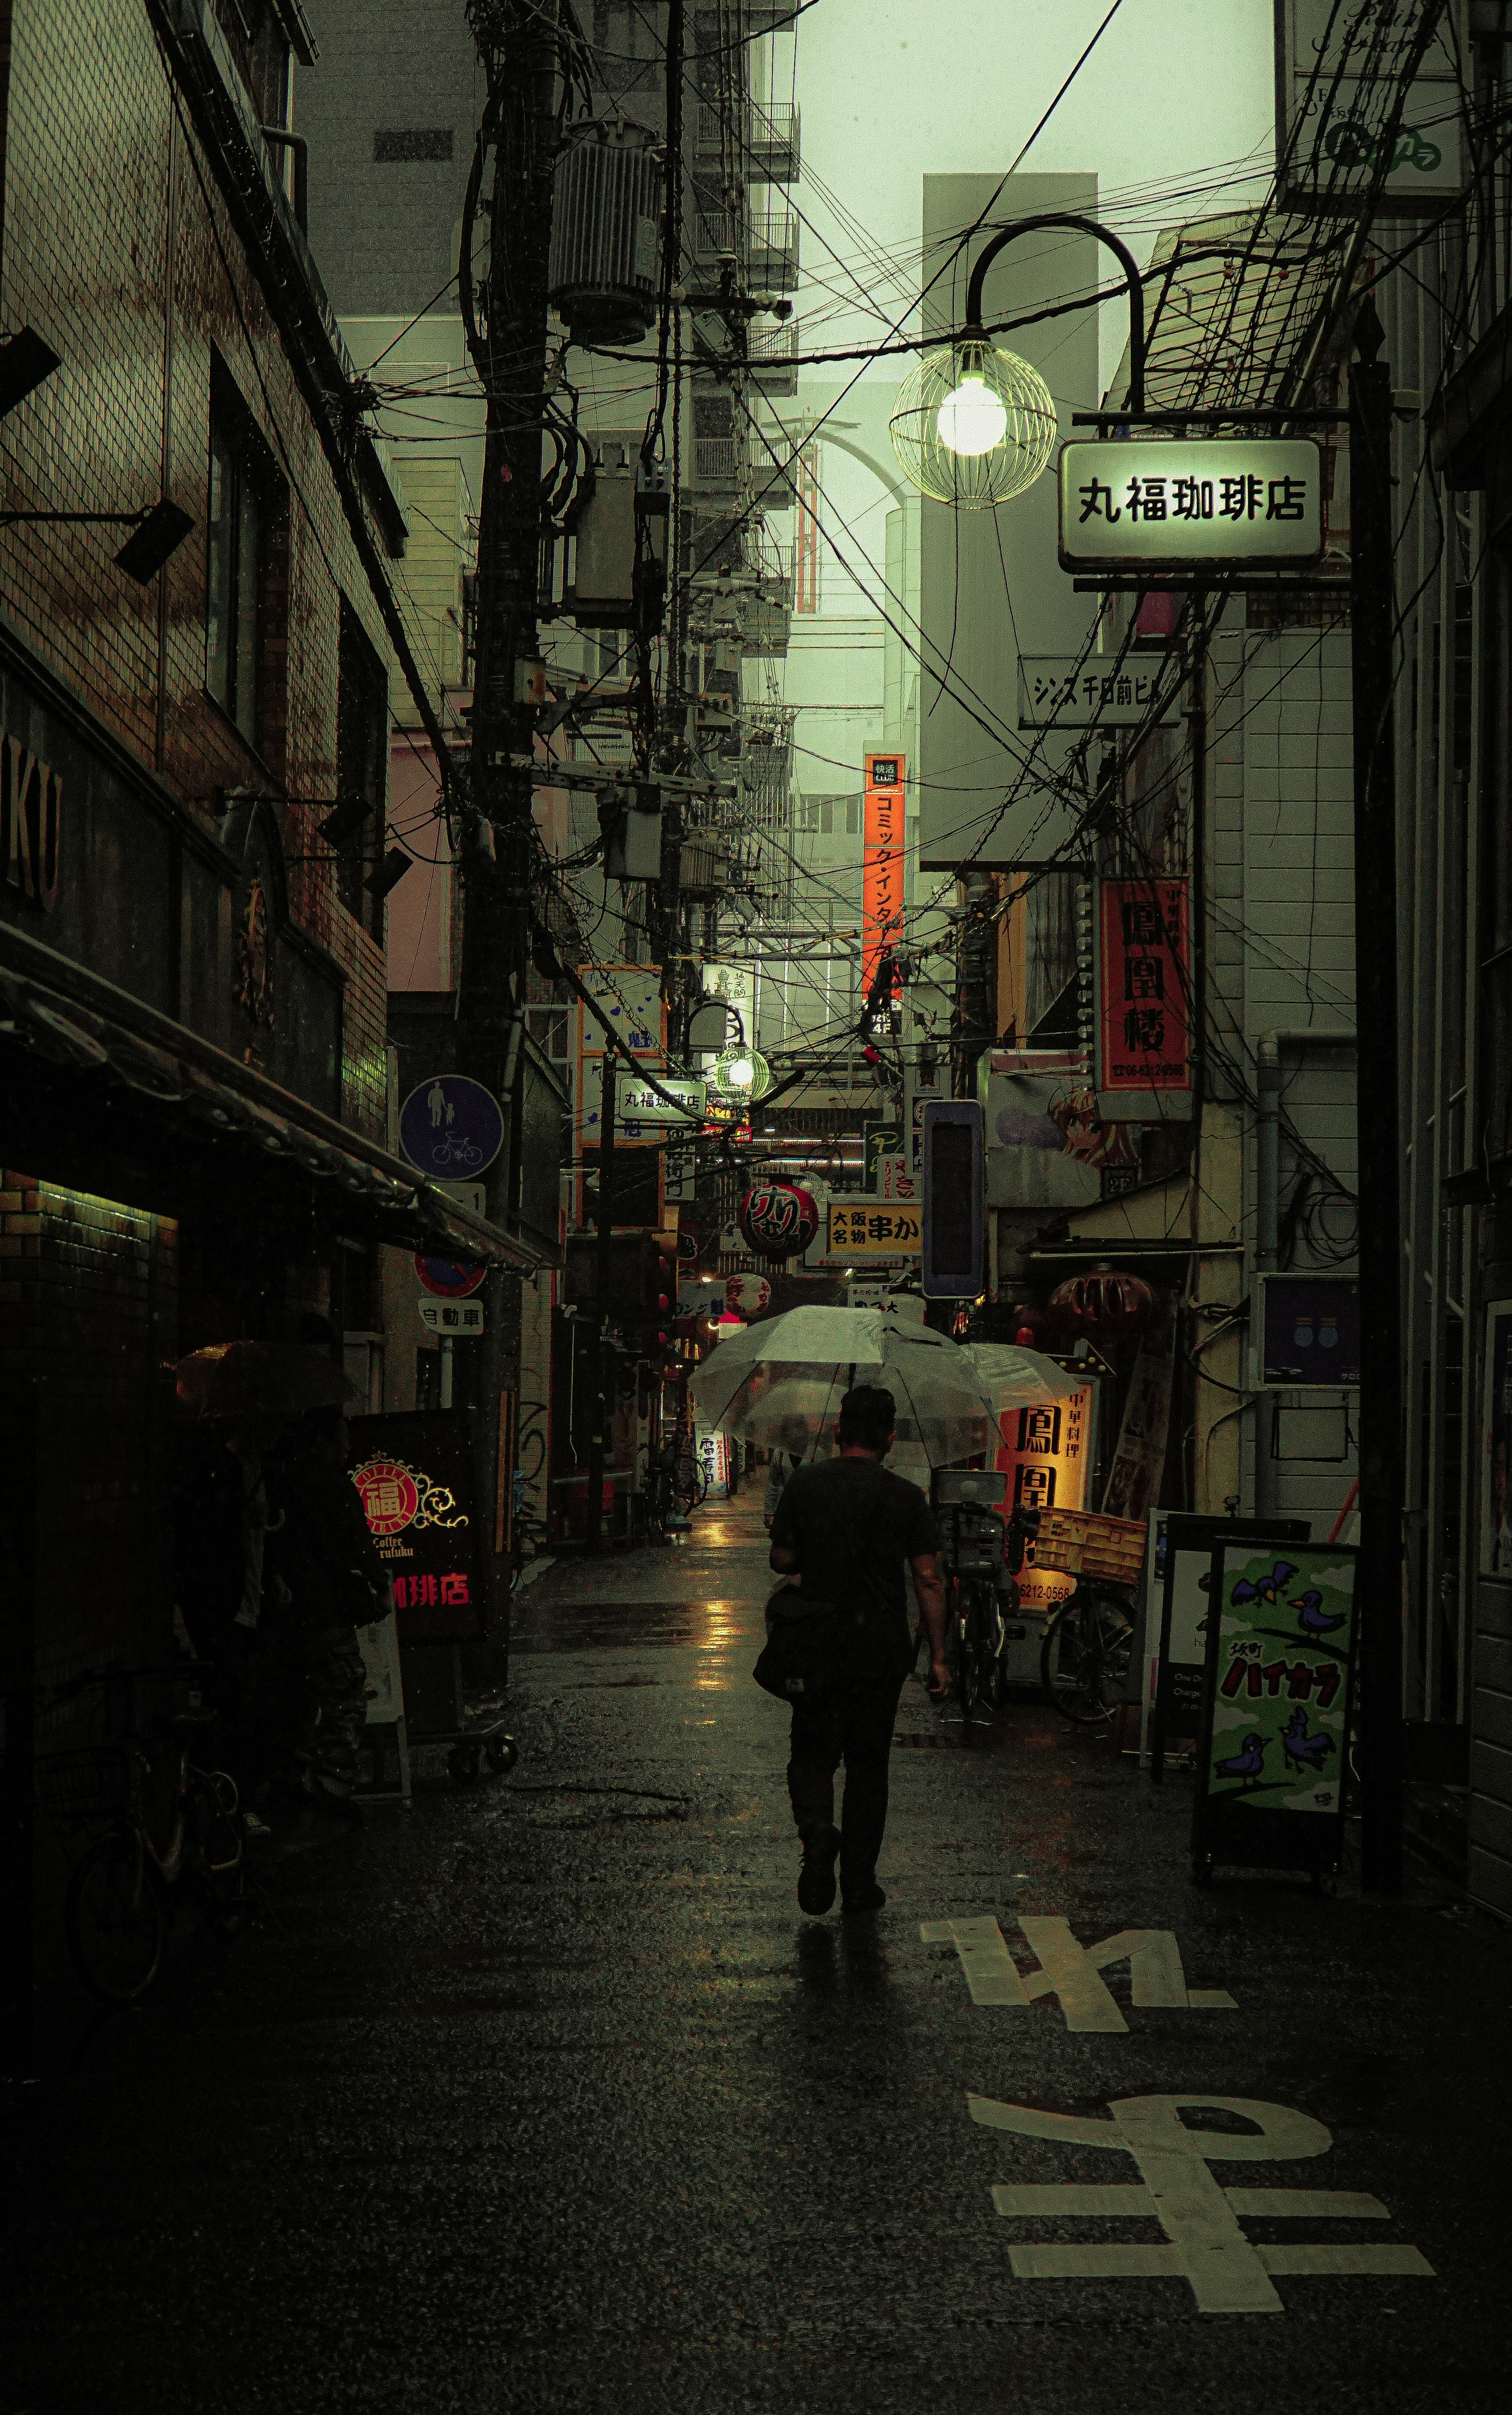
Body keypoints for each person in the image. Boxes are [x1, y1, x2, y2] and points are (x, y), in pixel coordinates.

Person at [767, 1384, 949, 1917]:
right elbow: (928, 1579)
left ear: (837, 1431)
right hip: (881, 1647)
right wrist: (939, 1657)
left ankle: (818, 1831)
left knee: (812, 1751)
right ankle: (860, 1884)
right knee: (869, 1765)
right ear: (891, 1438)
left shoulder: (806, 1483)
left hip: (817, 1641)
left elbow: (781, 1559)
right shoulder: (906, 1496)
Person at [267, 1407, 388, 1808]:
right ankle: (332, 1786)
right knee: (344, 1695)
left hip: (286, 1614)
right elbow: (358, 1543)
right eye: (342, 1437)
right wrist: (377, 1584)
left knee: (298, 1697)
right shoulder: (335, 1487)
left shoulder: (281, 1484)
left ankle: (290, 1778)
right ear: (323, 1442)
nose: (348, 1446)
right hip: (328, 1610)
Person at [762, 1414, 814, 1530]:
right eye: (791, 1429)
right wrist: (769, 1512)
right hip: (786, 1509)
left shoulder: (815, 1453)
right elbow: (773, 1484)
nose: (795, 1433)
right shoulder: (780, 1454)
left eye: (798, 1428)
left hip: (810, 1510)